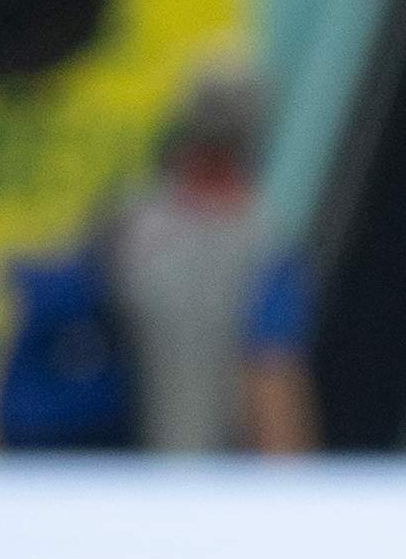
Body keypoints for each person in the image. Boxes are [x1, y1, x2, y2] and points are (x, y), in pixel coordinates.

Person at [101, 71, 318, 454]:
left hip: (133, 481)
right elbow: (272, 375)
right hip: (190, 481)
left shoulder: (127, 223)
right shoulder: (264, 242)